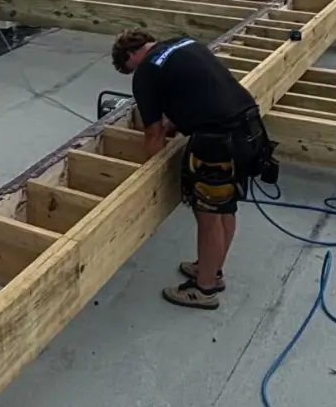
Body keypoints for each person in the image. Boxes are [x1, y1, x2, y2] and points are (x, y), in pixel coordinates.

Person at [112, 28, 275, 310]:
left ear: (130, 56)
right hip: (248, 129)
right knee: (226, 207)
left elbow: (152, 135)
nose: (132, 74)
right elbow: (201, 91)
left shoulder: (145, 72)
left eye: (128, 69)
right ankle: (212, 269)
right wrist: (175, 124)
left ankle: (204, 289)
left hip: (217, 143)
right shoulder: (182, 42)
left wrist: (146, 175)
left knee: (209, 216)